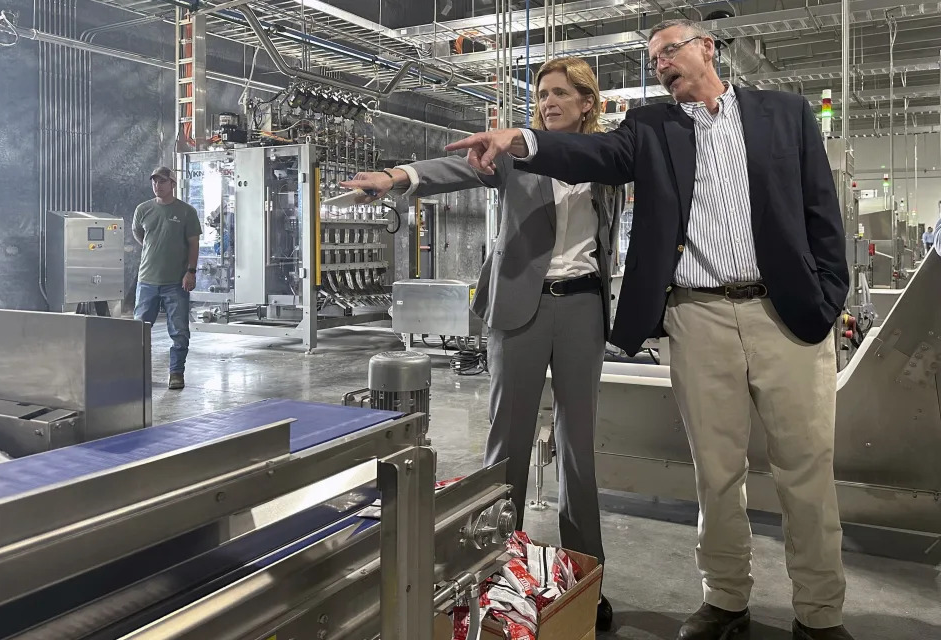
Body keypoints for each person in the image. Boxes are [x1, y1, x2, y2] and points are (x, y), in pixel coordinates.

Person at [444, 19, 853, 640]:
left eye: (669, 51)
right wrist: (523, 139)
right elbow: (593, 153)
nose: (660, 64)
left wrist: (827, 298)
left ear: (707, 49)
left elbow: (822, 209)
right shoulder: (653, 128)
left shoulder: (786, 113)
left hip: (786, 316)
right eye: (653, 59)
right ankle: (725, 599)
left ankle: (819, 615)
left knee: (806, 470)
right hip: (698, 315)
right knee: (716, 472)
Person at [340, 57, 620, 631]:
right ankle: (494, 571)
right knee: (507, 443)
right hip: (522, 306)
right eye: (542, 94)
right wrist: (396, 178)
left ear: (587, 102)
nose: (547, 102)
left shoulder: (607, 160)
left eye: (561, 94)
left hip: (584, 306)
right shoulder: (516, 151)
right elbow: (455, 171)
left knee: (578, 449)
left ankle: (582, 575)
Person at [132, 166, 202, 390]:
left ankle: (176, 373)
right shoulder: (143, 209)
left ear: (172, 184)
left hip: (175, 282)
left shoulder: (186, 212)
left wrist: (190, 271)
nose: (157, 185)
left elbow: (193, 243)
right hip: (147, 280)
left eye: (162, 181)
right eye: (154, 181)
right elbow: (138, 232)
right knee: (139, 330)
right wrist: (152, 248)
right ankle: (138, 373)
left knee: (179, 331)